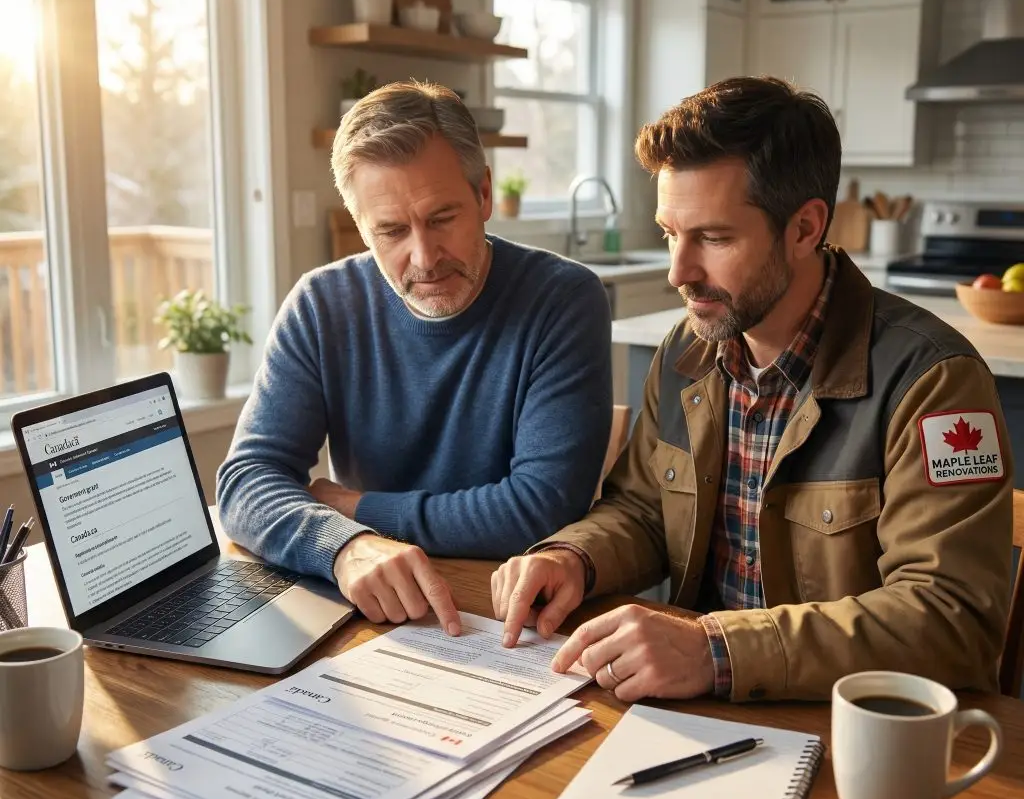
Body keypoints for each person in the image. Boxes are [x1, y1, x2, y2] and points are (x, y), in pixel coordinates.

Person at [492, 75, 1012, 702]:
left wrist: (717, 651)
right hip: (700, 709)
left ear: (803, 229)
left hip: (852, 729)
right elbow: (643, 510)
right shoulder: (688, 350)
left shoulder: (933, 381)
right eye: (669, 233)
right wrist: (574, 557)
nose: (678, 272)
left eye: (713, 238)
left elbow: (951, 618)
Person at [218, 81, 612, 635]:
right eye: (392, 230)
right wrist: (344, 547)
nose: (424, 258)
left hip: (513, 616)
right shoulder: (321, 303)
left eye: (442, 217)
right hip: (376, 606)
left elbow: (537, 509)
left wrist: (357, 509)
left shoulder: (563, 299)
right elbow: (245, 483)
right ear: (361, 228)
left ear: (483, 196)